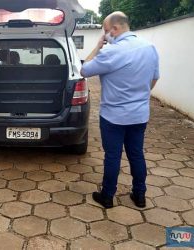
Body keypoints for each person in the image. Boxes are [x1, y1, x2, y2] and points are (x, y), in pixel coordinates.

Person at [80, 12, 160, 208]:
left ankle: (107, 196)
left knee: (113, 156)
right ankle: (140, 196)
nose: (105, 35)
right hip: (139, 114)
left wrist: (98, 47)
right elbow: (155, 78)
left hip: (113, 117)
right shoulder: (150, 48)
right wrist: (138, 97)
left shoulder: (111, 52)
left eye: (106, 32)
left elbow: (84, 70)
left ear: (114, 29)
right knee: (137, 154)